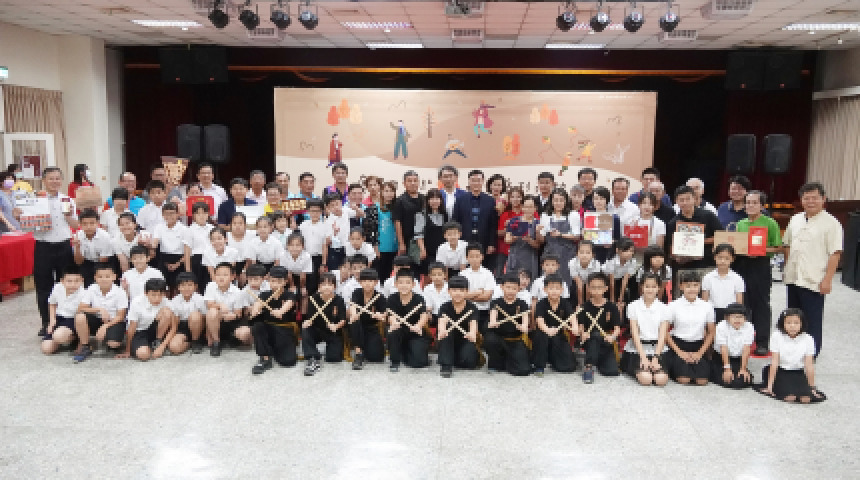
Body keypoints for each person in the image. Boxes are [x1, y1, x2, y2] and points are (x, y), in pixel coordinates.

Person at [782, 182, 842, 356]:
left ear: (823, 199)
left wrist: (828, 280)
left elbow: (835, 253)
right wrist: (787, 266)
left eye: (814, 198)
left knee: (812, 319)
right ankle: (792, 351)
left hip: (814, 279)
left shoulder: (832, 223)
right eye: (806, 198)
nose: (810, 202)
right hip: (793, 277)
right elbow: (787, 244)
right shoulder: (795, 219)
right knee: (793, 317)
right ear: (801, 200)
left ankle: (811, 354)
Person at [735, 190, 782, 355]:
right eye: (748, 202)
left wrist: (760, 251)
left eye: (754, 203)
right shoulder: (741, 223)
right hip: (742, 264)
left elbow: (778, 247)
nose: (750, 205)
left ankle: (762, 342)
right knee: (743, 302)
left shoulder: (770, 223)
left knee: (761, 303)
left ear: (762, 206)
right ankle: (744, 340)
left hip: (761, 265)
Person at [34, 167, 79, 337]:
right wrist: (18, 215)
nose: (55, 181)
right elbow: (26, 223)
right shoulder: (36, 200)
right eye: (51, 178)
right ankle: (46, 322)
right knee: (43, 286)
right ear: (44, 181)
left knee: (67, 284)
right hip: (43, 246)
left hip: (64, 246)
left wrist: (68, 215)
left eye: (57, 178)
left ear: (61, 180)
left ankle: (65, 319)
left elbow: (75, 225)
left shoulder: (68, 200)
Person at [664, 185, 723, 298]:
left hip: (706, 266)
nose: (685, 202)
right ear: (676, 201)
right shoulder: (673, 223)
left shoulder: (708, 215)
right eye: (681, 200)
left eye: (688, 199)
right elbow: (671, 248)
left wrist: (700, 241)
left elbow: (720, 236)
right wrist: (677, 257)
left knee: (707, 300)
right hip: (683, 269)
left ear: (694, 199)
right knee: (683, 301)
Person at [757, 308, 826, 403]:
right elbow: (775, 362)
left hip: (798, 372)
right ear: (783, 324)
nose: (792, 326)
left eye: (796, 323)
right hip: (780, 371)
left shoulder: (808, 339)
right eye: (788, 323)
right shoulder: (777, 336)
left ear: (802, 324)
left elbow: (809, 365)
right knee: (790, 397)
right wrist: (769, 386)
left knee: (805, 398)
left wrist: (812, 388)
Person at [665, 271, 715, 385]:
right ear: (681, 286)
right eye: (688, 286)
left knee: (702, 381)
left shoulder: (707, 306)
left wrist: (700, 353)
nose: (692, 289)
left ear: (699, 286)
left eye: (695, 285)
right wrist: (680, 352)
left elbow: (711, 332)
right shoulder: (673, 306)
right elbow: (665, 331)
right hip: (678, 345)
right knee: (684, 379)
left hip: (698, 345)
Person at [72, 262, 128, 362]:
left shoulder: (120, 292)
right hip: (96, 319)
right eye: (100, 276)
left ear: (114, 277)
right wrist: (99, 309)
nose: (104, 279)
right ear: (95, 278)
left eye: (107, 276)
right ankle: (85, 346)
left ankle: (108, 340)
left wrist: (105, 326)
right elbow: (80, 308)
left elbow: (121, 316)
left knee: (113, 344)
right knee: (80, 316)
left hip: (113, 321)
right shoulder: (92, 288)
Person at [622, 273, 670, 386]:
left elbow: (662, 335)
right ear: (641, 287)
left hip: (657, 349)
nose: (650, 290)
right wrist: (643, 357)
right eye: (647, 286)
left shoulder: (664, 308)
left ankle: (654, 365)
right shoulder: (633, 306)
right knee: (646, 379)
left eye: (653, 286)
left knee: (661, 380)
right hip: (638, 348)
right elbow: (634, 333)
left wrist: (656, 357)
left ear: (658, 288)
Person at [249, 266, 298, 373]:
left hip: (283, 330)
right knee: (257, 326)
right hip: (268, 329)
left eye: (279, 281)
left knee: (288, 362)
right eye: (272, 281)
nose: (275, 284)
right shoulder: (264, 294)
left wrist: (280, 311)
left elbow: (287, 305)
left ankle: (273, 349)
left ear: (285, 281)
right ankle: (265, 358)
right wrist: (255, 310)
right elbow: (257, 304)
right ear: (269, 281)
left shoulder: (290, 295)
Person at [577, 272, 621, 383]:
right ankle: (588, 367)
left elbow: (617, 329)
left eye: (599, 287)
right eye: (593, 287)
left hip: (606, 340)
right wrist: (583, 333)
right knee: (595, 335)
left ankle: (598, 359)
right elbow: (581, 327)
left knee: (611, 372)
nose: (596, 290)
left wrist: (612, 337)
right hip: (590, 339)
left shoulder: (612, 307)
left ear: (606, 288)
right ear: (588, 288)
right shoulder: (584, 307)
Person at [117, 278, 176, 361]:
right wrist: (128, 351)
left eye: (160, 295)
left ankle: (157, 343)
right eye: (153, 295)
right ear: (146, 293)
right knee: (143, 355)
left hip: (157, 331)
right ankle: (148, 347)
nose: (157, 298)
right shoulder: (137, 302)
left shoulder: (167, 302)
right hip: (140, 332)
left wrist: (162, 347)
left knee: (167, 312)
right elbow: (132, 327)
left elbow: (173, 327)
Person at [485, 273, 531, 376]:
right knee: (490, 339)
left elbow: (525, 321)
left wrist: (523, 327)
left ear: (518, 288)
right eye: (508, 287)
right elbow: (493, 317)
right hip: (499, 338)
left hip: (515, 340)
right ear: (502, 287)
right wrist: (493, 322)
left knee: (523, 370)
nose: (511, 291)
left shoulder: (522, 304)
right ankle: (496, 363)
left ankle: (509, 360)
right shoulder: (495, 303)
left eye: (514, 288)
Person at [385, 269, 431, 372]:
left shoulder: (419, 298)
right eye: (401, 282)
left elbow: (424, 315)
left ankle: (406, 351)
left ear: (413, 284)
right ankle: (395, 361)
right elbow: (391, 315)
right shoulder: (392, 298)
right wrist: (394, 323)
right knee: (392, 332)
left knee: (419, 363)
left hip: (414, 331)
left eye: (407, 282)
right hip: (399, 330)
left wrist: (418, 326)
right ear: (396, 284)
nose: (404, 285)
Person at [301, 272, 347, 375]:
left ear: (334, 287)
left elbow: (343, 320)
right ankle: (312, 357)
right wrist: (307, 322)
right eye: (323, 284)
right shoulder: (313, 299)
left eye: (330, 284)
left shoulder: (339, 300)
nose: (326, 287)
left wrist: (336, 326)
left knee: (333, 358)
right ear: (319, 287)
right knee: (305, 329)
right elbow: (310, 318)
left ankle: (329, 349)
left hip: (333, 332)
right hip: (317, 329)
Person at [532, 273, 577, 376]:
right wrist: (547, 330)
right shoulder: (541, 303)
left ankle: (552, 359)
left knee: (569, 367)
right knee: (541, 337)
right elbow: (540, 321)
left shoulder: (565, 303)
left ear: (562, 290)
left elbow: (572, 317)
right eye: (551, 288)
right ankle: (539, 366)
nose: (554, 291)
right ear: (545, 289)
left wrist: (574, 327)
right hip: (543, 333)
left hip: (558, 335)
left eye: (557, 288)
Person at [436, 275, 480, 378]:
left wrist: (472, 333)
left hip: (465, 339)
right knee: (447, 331)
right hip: (448, 339)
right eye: (454, 290)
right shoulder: (444, 307)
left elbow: (473, 324)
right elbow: (442, 322)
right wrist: (442, 331)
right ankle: (446, 365)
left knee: (470, 362)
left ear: (466, 291)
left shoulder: (472, 307)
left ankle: (448, 356)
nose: (458, 293)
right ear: (449, 291)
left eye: (461, 290)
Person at [204, 262, 250, 356]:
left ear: (232, 277)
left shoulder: (237, 292)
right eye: (218, 275)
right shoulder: (210, 286)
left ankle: (232, 338)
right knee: (212, 312)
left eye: (225, 275)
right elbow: (209, 305)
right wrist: (220, 305)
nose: (221, 277)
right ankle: (216, 342)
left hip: (231, 321)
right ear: (214, 276)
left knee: (245, 334)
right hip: (215, 321)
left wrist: (231, 316)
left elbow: (238, 314)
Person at [452, 170, 498, 263]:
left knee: (483, 265)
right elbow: (455, 221)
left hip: (484, 240)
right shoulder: (460, 199)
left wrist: (491, 243)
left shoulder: (490, 200)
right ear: (469, 182)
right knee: (465, 265)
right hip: (464, 239)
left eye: (478, 180)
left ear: (483, 181)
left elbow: (493, 224)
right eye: (473, 180)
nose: (476, 183)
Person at [539, 188, 580, 287]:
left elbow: (577, 236)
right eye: (556, 200)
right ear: (551, 201)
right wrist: (537, 231)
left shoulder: (573, 214)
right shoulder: (545, 215)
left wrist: (560, 234)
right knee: (548, 281)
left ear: (566, 201)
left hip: (568, 252)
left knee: (566, 280)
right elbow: (542, 239)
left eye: (561, 200)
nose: (558, 203)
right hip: (550, 253)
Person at [348, 268, 387, 369]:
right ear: (360, 282)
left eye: (370, 281)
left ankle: (365, 346)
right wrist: (354, 314)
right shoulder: (357, 292)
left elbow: (385, 313)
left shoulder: (380, 297)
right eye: (364, 281)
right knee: (355, 321)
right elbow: (353, 306)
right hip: (358, 326)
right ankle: (358, 353)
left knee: (376, 358)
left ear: (376, 282)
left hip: (371, 328)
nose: (367, 283)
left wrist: (380, 315)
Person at [40, 266, 85, 355]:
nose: (73, 284)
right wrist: (52, 320)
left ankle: (77, 337)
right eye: (69, 281)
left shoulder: (83, 293)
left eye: (77, 281)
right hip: (59, 318)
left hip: (73, 320)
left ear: (82, 280)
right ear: (62, 281)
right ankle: (63, 338)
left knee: (58, 336)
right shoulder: (57, 287)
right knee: (46, 349)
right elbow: (52, 303)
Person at [710, 302, 754, 389]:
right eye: (734, 316)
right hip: (721, 358)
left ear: (745, 318)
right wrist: (727, 368)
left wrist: (743, 369)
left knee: (742, 381)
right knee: (727, 380)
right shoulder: (721, 326)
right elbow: (723, 348)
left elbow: (746, 348)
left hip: (737, 359)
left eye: (740, 317)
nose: (737, 320)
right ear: (727, 318)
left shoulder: (749, 327)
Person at [151, 202, 191, 291]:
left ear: (177, 214)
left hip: (180, 260)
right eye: (166, 214)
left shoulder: (184, 229)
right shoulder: (159, 227)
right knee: (162, 287)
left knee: (178, 288)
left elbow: (187, 251)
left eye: (172, 213)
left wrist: (177, 264)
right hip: (163, 259)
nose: (169, 216)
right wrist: (149, 245)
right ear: (162, 215)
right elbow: (155, 243)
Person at [701, 244, 745, 322]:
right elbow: (704, 300)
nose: (723, 261)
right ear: (715, 257)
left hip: (730, 313)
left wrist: (737, 315)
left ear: (732, 259)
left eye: (727, 258)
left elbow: (739, 303)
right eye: (720, 258)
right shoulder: (708, 277)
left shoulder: (737, 278)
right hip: (712, 312)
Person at [459, 243, 496, 334]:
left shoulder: (488, 274)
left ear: (482, 257)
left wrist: (468, 296)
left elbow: (486, 297)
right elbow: (460, 296)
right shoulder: (462, 274)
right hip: (466, 310)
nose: (474, 259)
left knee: (486, 334)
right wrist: (478, 292)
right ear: (467, 258)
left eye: (477, 256)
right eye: (471, 256)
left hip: (483, 311)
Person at [72, 209, 113, 287]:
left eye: (92, 223)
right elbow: (79, 262)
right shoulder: (78, 236)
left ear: (97, 223)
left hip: (103, 262)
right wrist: (77, 248)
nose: (88, 227)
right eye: (85, 224)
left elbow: (103, 260)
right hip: (86, 262)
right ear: (80, 224)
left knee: (100, 279)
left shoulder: (105, 236)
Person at [504, 195, 541, 280]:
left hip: (530, 257)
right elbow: (507, 239)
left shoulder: (538, 223)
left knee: (529, 282)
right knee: (513, 281)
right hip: (515, 256)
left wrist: (529, 240)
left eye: (531, 207)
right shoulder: (514, 221)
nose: (528, 209)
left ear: (535, 208)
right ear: (522, 208)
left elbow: (538, 245)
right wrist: (514, 237)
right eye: (526, 206)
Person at [169, 272, 207, 354]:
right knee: (174, 348)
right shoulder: (174, 301)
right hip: (182, 327)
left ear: (195, 286)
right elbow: (175, 324)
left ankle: (196, 341)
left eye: (190, 285)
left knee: (194, 315)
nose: (186, 288)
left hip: (198, 326)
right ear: (178, 287)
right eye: (183, 285)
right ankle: (190, 344)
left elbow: (205, 318)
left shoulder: (200, 299)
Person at [392, 170, 424, 264]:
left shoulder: (424, 199)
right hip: (408, 241)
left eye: (415, 180)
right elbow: (397, 223)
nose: (413, 183)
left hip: (423, 240)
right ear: (404, 183)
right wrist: (401, 243)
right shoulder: (400, 201)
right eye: (409, 181)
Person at [414, 188, 448, 276]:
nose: (434, 201)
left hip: (442, 252)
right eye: (432, 198)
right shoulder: (421, 215)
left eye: (437, 198)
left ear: (441, 200)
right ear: (427, 201)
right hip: (428, 253)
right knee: (428, 276)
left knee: (442, 276)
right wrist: (422, 249)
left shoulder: (445, 214)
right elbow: (418, 235)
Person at [603, 238, 638, 318]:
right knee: (609, 299)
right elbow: (611, 282)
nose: (629, 253)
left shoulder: (632, 261)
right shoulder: (611, 261)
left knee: (624, 296)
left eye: (631, 251)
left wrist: (620, 298)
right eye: (626, 251)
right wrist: (612, 299)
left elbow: (625, 280)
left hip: (620, 279)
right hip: (607, 279)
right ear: (617, 250)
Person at [279, 233, 313, 314]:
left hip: (304, 277)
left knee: (304, 294)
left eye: (298, 245)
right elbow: (288, 273)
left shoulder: (307, 256)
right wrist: (291, 286)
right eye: (291, 245)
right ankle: (288, 312)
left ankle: (303, 315)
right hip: (289, 276)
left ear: (303, 246)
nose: (294, 248)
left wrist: (302, 287)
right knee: (288, 293)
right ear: (287, 246)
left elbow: (303, 275)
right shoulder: (283, 255)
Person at [588, 186, 622, 264]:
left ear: (607, 200)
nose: (598, 201)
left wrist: (611, 242)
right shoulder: (589, 217)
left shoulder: (614, 218)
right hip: (591, 254)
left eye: (601, 199)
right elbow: (587, 238)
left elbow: (618, 239)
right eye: (596, 198)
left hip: (607, 254)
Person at [375, 181, 399, 280]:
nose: (389, 193)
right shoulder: (376, 208)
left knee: (391, 276)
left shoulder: (397, 207)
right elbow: (372, 230)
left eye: (391, 191)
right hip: (381, 248)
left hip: (394, 247)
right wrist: (375, 247)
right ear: (381, 192)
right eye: (386, 191)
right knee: (381, 275)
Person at [187, 202, 214, 290]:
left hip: (211, 259)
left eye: (204, 213)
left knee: (210, 286)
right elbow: (187, 251)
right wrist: (188, 271)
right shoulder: (190, 230)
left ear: (208, 214)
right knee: (198, 287)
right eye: (198, 213)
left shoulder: (212, 228)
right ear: (194, 216)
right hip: (197, 260)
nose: (201, 216)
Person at [323, 193, 352, 271]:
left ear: (341, 202)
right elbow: (327, 241)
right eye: (332, 205)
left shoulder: (346, 211)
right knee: (335, 272)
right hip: (335, 250)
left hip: (347, 248)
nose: (336, 207)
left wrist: (355, 207)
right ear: (328, 208)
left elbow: (361, 214)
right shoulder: (328, 221)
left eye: (337, 204)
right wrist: (334, 234)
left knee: (348, 272)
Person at [569, 240, 602, 305]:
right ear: (577, 254)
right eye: (581, 252)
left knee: (591, 290)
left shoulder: (597, 264)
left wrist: (587, 305)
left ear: (593, 255)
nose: (584, 255)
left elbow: (590, 284)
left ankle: (590, 304)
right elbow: (579, 284)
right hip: (578, 283)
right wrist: (580, 304)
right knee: (575, 290)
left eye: (588, 253)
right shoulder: (572, 263)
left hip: (591, 283)